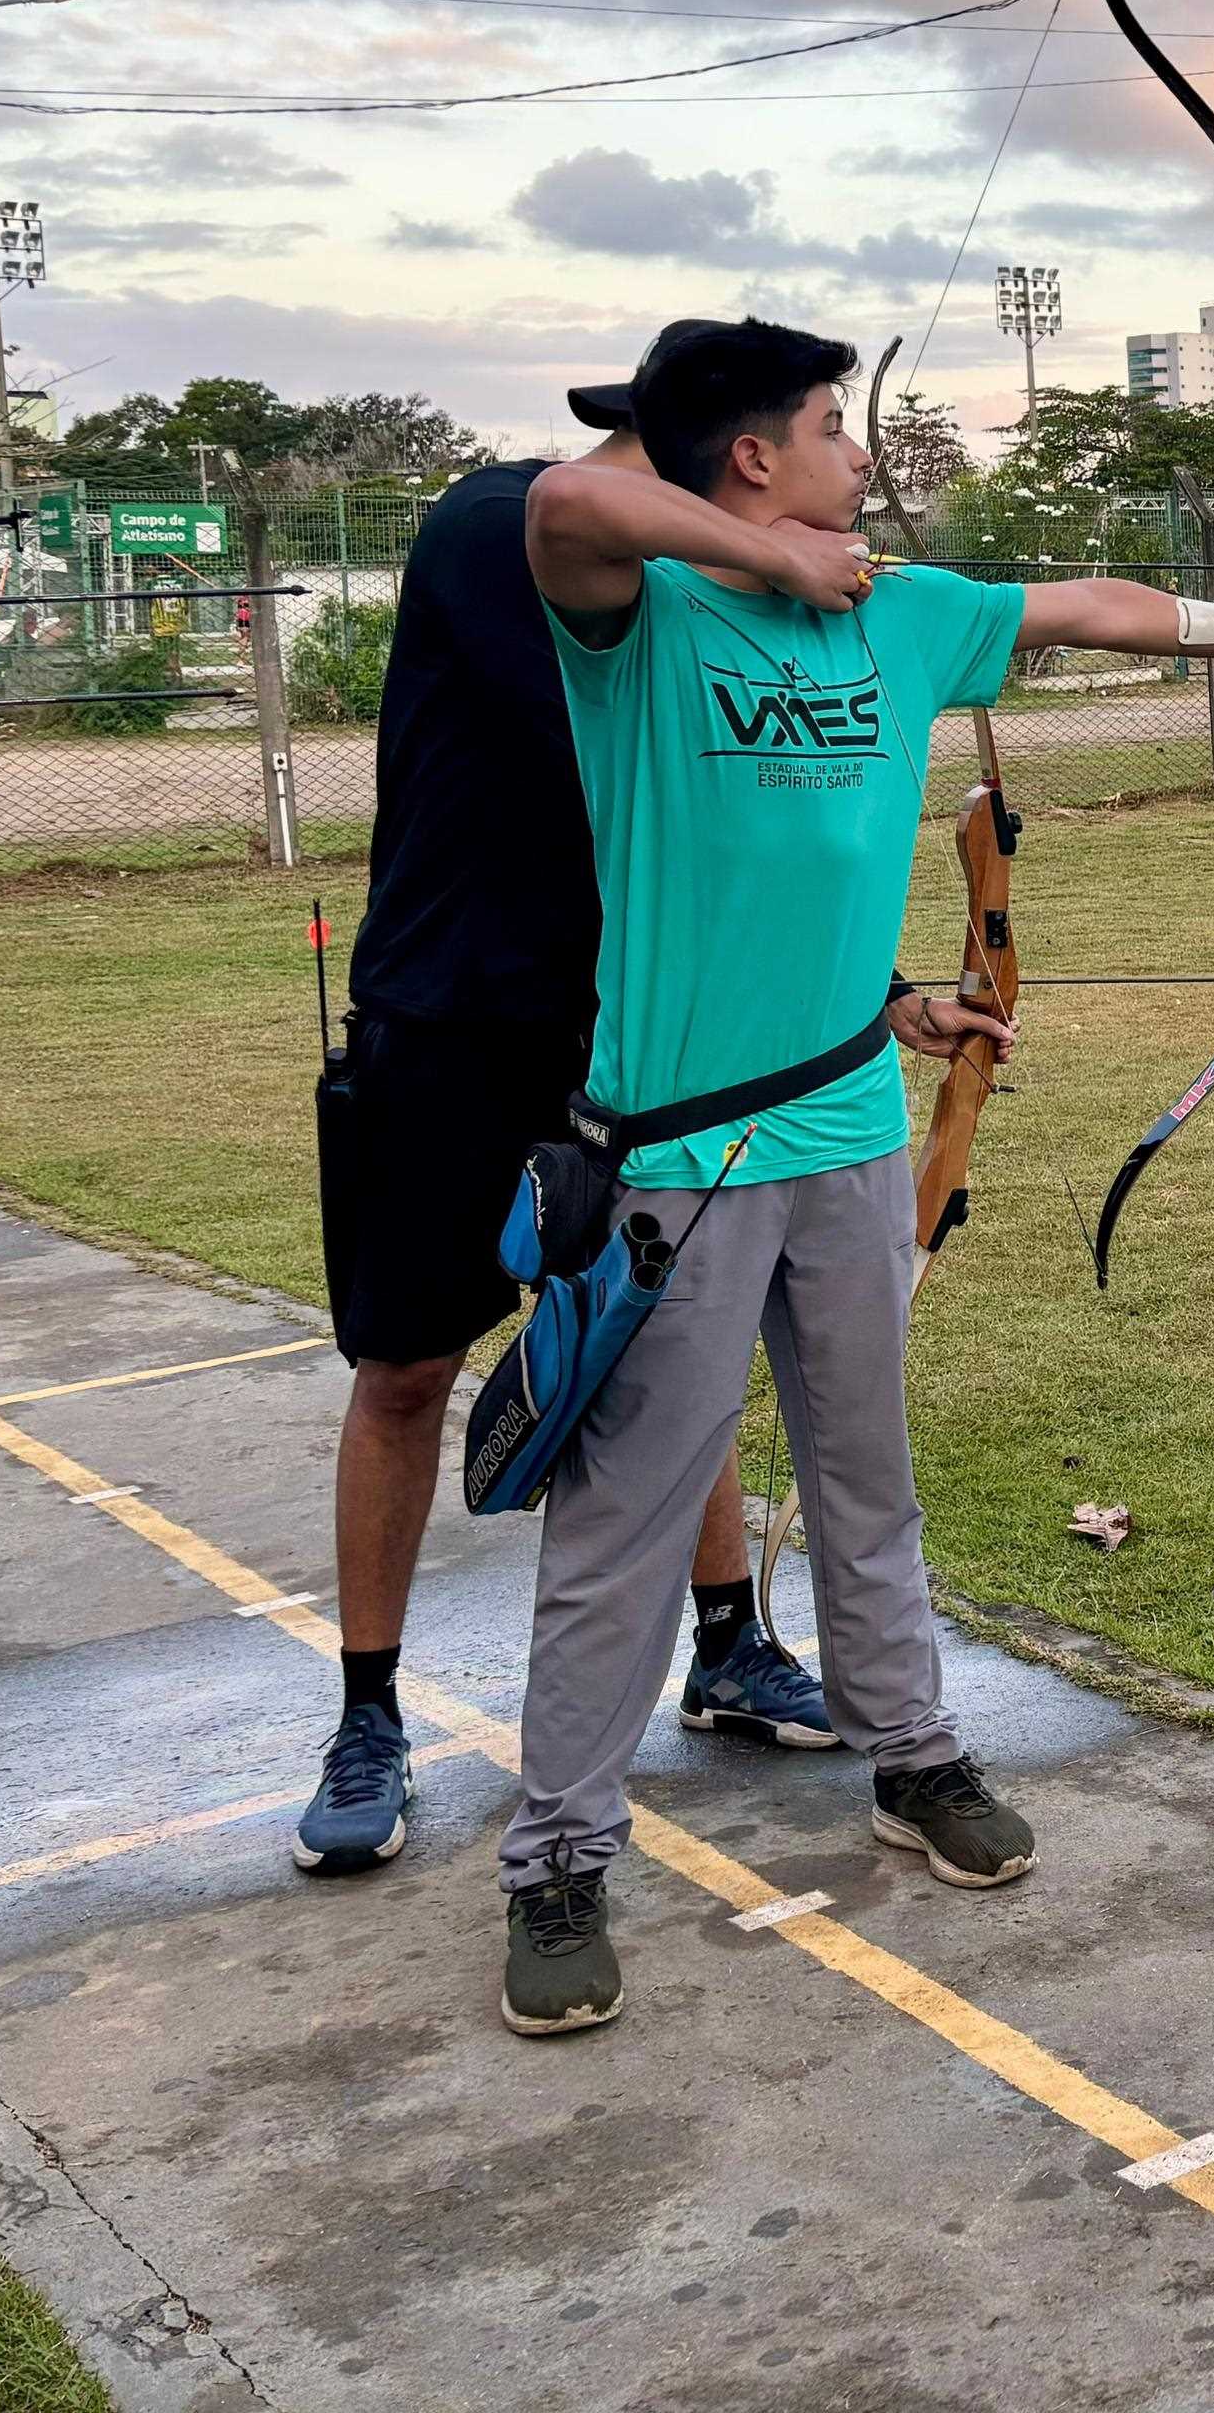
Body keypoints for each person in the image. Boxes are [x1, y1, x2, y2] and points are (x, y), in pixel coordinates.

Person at [496, 317, 1214, 2037]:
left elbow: (1080, 609)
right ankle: (555, 1855)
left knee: (867, 1473)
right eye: (831, 427)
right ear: (751, 457)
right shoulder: (642, 619)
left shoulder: (903, 614)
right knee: (621, 1519)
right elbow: (555, 509)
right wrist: (772, 561)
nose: (858, 455)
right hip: (677, 1158)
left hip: (846, 1131)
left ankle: (912, 1756)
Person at [299, 383, 831, 1881]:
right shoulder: (493, 528)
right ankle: (369, 1714)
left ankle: (728, 1645)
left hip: (621, 1031)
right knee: (405, 1368)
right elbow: (607, 587)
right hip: (449, 1025)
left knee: (660, 1336)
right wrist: (771, 564)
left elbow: (719, 810)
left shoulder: (668, 589)